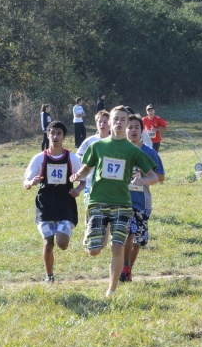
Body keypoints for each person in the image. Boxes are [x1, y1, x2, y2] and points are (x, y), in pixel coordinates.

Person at [70, 105, 159, 297]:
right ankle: (92, 238)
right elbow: (86, 168)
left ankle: (111, 290)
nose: (119, 122)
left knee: (117, 246)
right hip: (98, 201)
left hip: (123, 204)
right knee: (94, 250)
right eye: (116, 119)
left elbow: (154, 176)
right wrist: (78, 175)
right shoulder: (97, 146)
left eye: (123, 119)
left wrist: (143, 180)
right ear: (109, 122)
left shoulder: (133, 150)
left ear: (127, 123)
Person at [23, 121, 86, 283]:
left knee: (62, 243)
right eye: (52, 133)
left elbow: (84, 180)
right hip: (45, 205)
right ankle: (49, 277)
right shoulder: (39, 158)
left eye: (59, 133)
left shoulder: (71, 158)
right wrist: (31, 183)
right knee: (48, 242)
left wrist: (77, 190)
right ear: (48, 135)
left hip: (66, 205)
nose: (55, 136)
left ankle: (62, 238)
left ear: (64, 137)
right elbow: (26, 182)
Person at [121, 114, 165, 282]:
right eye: (130, 127)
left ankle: (128, 270)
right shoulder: (119, 151)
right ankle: (124, 266)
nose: (133, 130)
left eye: (137, 127)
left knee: (138, 240)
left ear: (142, 131)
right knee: (128, 232)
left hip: (142, 202)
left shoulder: (149, 152)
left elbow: (160, 176)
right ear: (125, 130)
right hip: (123, 201)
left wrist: (144, 178)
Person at [77, 110, 111, 205]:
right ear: (96, 123)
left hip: (109, 183)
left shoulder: (115, 141)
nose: (102, 124)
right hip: (91, 182)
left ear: (110, 123)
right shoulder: (89, 141)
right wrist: (89, 161)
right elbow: (78, 156)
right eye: (99, 122)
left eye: (105, 122)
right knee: (90, 209)